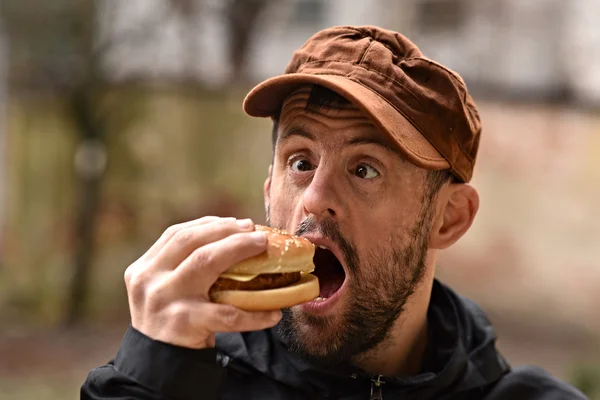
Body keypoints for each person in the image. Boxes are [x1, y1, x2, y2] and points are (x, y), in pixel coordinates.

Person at [82, 25, 587, 400]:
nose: (314, 197)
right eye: (300, 161)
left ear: (448, 218)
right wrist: (147, 377)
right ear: (267, 190)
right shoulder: (182, 380)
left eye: (365, 169)